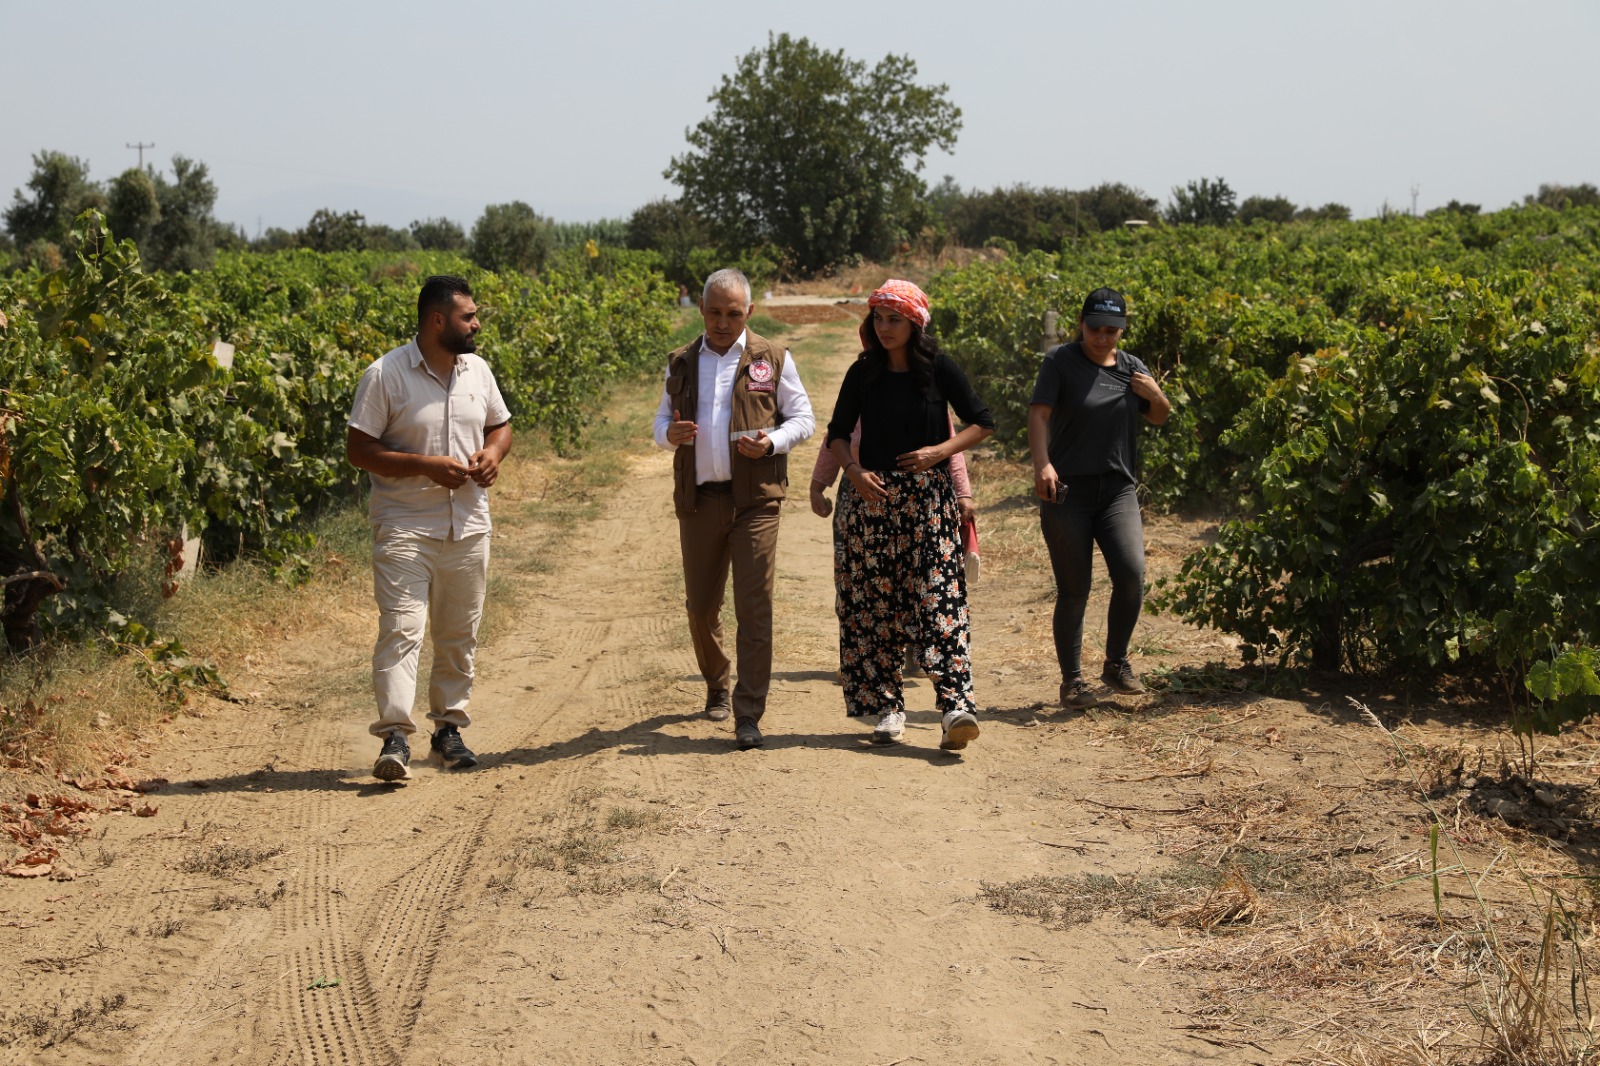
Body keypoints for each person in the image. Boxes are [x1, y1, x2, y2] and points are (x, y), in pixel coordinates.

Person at [346, 275, 513, 781]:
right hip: (404, 526)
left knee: (459, 633)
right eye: (468, 316)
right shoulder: (385, 375)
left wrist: (494, 455)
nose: (476, 323)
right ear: (437, 321)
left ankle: (447, 730)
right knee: (402, 630)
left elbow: (500, 425)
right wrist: (425, 466)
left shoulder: (477, 371)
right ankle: (395, 737)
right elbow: (359, 450)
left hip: (468, 524)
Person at [825, 280, 995, 750]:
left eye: (893, 319)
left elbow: (983, 422)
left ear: (915, 322)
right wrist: (854, 473)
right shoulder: (862, 372)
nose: (884, 328)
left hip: (929, 505)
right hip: (872, 505)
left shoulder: (939, 369)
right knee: (875, 609)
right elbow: (837, 434)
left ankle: (956, 707)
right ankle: (888, 708)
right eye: (878, 319)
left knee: (940, 601)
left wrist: (939, 451)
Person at [653, 268, 815, 750]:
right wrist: (669, 435)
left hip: (756, 503)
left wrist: (773, 442)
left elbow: (804, 419)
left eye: (734, 313)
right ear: (702, 311)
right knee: (701, 609)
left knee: (754, 607)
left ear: (749, 313)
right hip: (700, 501)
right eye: (715, 312)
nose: (723, 322)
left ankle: (748, 712)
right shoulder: (681, 362)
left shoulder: (772, 358)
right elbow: (660, 421)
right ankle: (717, 682)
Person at [1028, 287, 1171, 710]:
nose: (1103, 338)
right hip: (1066, 491)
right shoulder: (1060, 362)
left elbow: (1160, 416)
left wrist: (1155, 394)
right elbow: (1038, 414)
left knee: (1131, 574)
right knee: (1075, 590)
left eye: (1112, 331)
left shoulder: (1133, 369)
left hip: (1116, 490)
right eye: (1095, 328)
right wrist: (1042, 464)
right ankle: (1072, 682)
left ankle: (1116, 663)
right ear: (1081, 323)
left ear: (1122, 331)